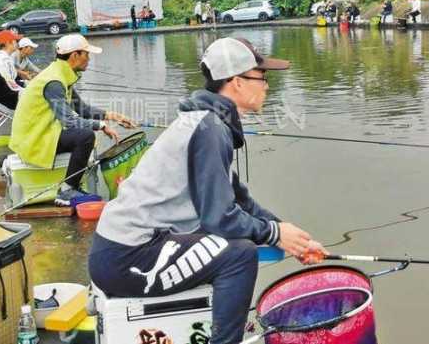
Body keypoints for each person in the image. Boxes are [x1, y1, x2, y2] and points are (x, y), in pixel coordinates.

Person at [89, 37, 327, 344]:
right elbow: (220, 219)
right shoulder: (209, 129)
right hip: (127, 257)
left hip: (126, 250)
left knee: (239, 241)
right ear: (237, 83)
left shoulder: (209, 122)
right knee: (238, 255)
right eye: (262, 77)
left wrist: (292, 237)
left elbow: (241, 203)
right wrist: (273, 233)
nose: (267, 85)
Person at [9, 34, 137, 206]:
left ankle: (72, 187)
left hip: (41, 133)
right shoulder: (54, 81)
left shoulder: (61, 74)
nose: (89, 59)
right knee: (85, 136)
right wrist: (101, 125)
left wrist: (113, 116)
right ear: (75, 55)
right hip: (34, 139)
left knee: (84, 133)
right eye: (86, 54)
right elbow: (69, 120)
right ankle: (67, 190)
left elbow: (81, 109)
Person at [0, 30, 24, 110]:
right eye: (15, 41)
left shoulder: (4, 56)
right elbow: (8, 81)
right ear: (7, 43)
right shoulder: (2, 58)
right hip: (0, 94)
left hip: (2, 89)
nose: (17, 43)